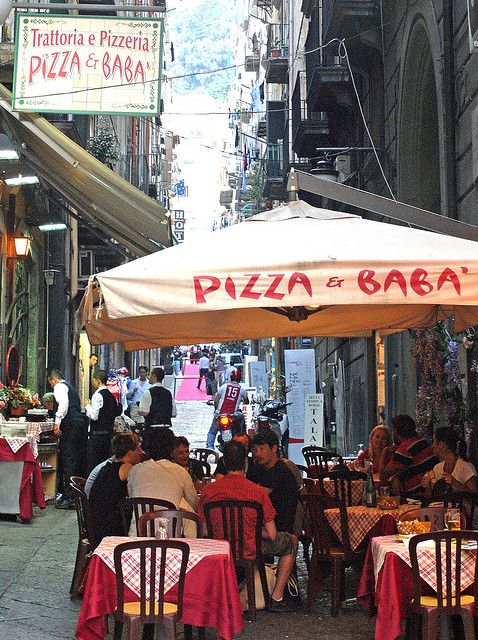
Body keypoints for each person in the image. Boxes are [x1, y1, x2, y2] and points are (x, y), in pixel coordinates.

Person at [200, 440, 297, 612]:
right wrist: (251, 530)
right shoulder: (257, 492)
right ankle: (277, 596)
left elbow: (204, 530)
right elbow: (272, 534)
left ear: (223, 462)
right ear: (245, 461)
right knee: (290, 542)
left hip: (219, 548)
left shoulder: (208, 491)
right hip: (250, 548)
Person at [127, 428, 198, 535]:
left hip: (138, 534)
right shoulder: (180, 471)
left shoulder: (135, 471)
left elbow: (132, 496)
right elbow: (193, 503)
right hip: (171, 536)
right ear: (171, 449)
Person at [89, 432, 142, 545]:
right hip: (109, 527)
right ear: (130, 453)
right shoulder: (126, 468)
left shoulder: (108, 467)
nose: (141, 452)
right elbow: (140, 488)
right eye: (138, 449)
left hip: (96, 522)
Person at [247, 430, 299, 541]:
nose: (257, 454)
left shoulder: (280, 470)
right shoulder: (260, 468)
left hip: (280, 530)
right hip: (264, 525)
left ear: (274, 448)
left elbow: (256, 496)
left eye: (262, 449)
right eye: (255, 450)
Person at [49, 369, 88, 510]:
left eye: (50, 383)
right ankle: (73, 494)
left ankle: (70, 497)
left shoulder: (59, 387)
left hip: (70, 424)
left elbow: (63, 405)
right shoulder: (70, 387)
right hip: (78, 424)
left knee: (68, 458)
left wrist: (57, 423)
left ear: (53, 380)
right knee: (74, 458)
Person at [379, 414, 438, 496]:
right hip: (432, 488)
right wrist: (397, 477)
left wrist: (384, 452)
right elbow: (416, 468)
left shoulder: (405, 448)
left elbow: (383, 476)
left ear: (397, 431)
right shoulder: (422, 441)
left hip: (417, 494)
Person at [85, 369, 122, 474]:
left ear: (97, 380)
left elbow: (94, 416)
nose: (92, 383)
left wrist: (87, 406)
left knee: (94, 464)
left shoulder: (98, 395)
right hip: (108, 435)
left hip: (97, 435)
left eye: (93, 380)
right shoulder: (112, 397)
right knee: (105, 463)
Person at [422, 427, 478, 497]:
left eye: (434, 441)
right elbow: (432, 497)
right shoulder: (437, 468)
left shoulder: (465, 466)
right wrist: (428, 485)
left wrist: (455, 483)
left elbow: (475, 496)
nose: (432, 446)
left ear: (442, 444)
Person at [206, 367, 249, 449]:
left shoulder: (224, 387)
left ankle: (209, 447)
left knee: (212, 432)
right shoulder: (242, 390)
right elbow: (246, 402)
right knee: (241, 417)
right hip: (232, 416)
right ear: (240, 379)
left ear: (231, 378)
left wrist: (216, 410)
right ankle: (242, 436)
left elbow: (216, 400)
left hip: (220, 415)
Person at [139, 367, 177, 455]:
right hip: (166, 431)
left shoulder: (148, 392)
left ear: (154, 377)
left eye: (150, 375)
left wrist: (139, 411)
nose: (148, 377)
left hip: (152, 431)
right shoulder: (168, 393)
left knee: (152, 456)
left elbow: (145, 412)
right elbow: (173, 413)